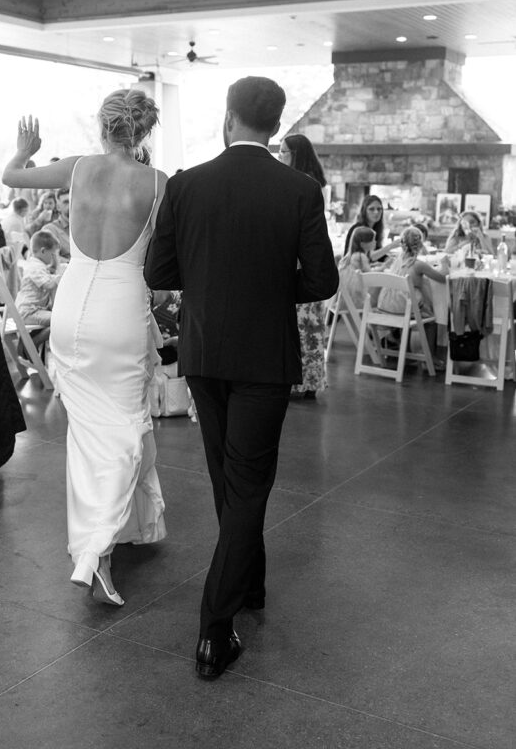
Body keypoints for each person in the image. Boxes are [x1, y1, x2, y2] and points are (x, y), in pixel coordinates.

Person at [144, 76, 338, 681]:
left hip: (204, 353)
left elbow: (160, 269)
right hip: (264, 356)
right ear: (275, 127)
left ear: (228, 118)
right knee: (248, 482)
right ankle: (213, 629)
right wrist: (275, 287)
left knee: (229, 478)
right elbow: (322, 280)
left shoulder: (187, 184)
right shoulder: (300, 190)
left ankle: (248, 585)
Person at [2, 89, 168, 607]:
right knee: (122, 432)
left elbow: (11, 176)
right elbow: (165, 263)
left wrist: (24, 148)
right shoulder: (158, 183)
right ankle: (95, 550)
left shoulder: (75, 168)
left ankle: (118, 532)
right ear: (143, 133)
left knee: (89, 434)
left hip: (73, 306)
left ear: (103, 124)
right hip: (120, 306)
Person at [278, 133, 329, 400]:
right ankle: (305, 381)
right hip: (301, 260)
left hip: (300, 262)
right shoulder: (308, 183)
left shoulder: (305, 185)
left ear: (295, 154)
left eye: (284, 152)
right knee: (302, 326)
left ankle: (302, 380)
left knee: (302, 326)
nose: (280, 156)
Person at [378, 225, 449, 316]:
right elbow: (443, 279)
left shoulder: (397, 261)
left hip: (384, 306)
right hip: (403, 309)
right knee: (431, 307)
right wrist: (445, 263)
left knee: (423, 296)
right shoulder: (418, 264)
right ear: (420, 244)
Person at [15, 230, 63, 327]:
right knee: (60, 320)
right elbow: (49, 285)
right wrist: (60, 277)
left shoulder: (36, 264)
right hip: (29, 313)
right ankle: (32, 342)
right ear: (43, 251)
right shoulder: (36, 267)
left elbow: (47, 277)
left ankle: (27, 342)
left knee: (59, 317)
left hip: (31, 310)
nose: (54, 258)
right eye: (53, 254)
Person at [343, 194, 400, 262]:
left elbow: (377, 252)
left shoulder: (375, 229)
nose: (376, 212)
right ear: (364, 211)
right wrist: (391, 246)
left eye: (379, 209)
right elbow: (370, 257)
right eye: (371, 209)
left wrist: (388, 259)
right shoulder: (359, 229)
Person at [337, 225, 376, 309]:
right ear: (363, 244)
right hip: (356, 300)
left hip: (343, 299)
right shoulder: (361, 256)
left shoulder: (349, 256)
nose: (375, 242)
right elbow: (370, 274)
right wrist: (383, 267)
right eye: (372, 240)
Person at [41, 188, 71, 261]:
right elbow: (47, 257)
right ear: (58, 207)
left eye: (73, 201)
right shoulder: (50, 230)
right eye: (66, 202)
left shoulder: (87, 229)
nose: (71, 205)